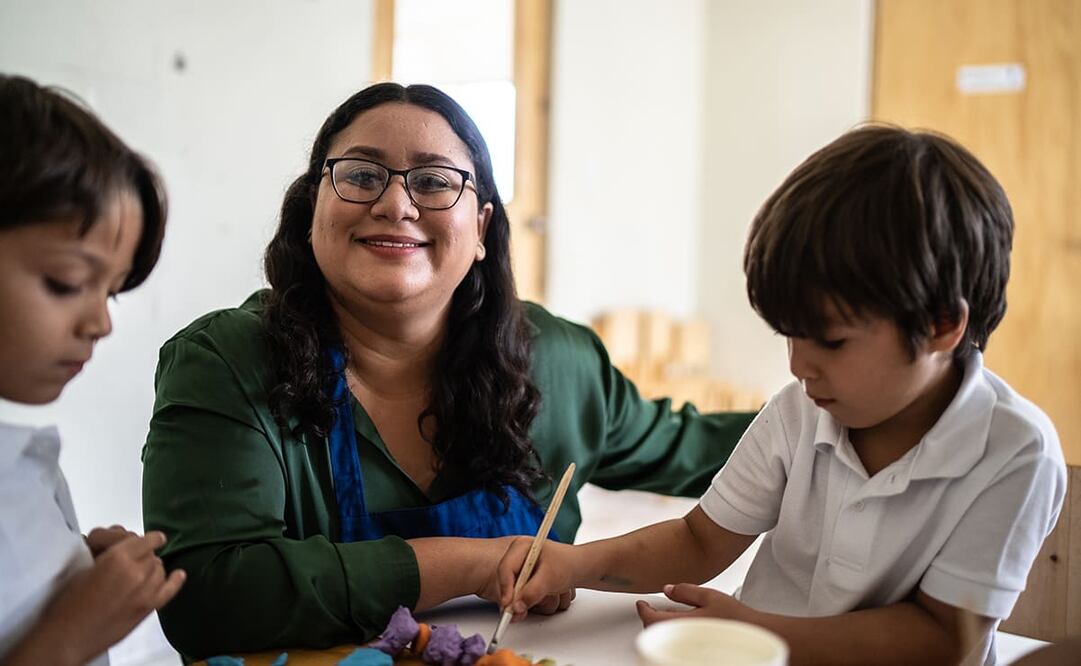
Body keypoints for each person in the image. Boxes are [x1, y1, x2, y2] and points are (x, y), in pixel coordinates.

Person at [140, 82, 757, 660]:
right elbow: (208, 596)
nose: (395, 204)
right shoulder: (226, 362)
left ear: (481, 227)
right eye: (361, 175)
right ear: (312, 209)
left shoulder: (557, 360)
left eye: (434, 181)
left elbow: (731, 453)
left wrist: (815, 406)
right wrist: (476, 564)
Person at [495, 125, 1067, 665]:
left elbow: (941, 639)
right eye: (788, 336)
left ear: (941, 326)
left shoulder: (1014, 450)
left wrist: (755, 632)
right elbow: (699, 539)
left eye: (832, 342)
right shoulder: (801, 410)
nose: (798, 366)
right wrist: (574, 563)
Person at [0, 74, 184, 666]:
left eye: (111, 292)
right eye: (67, 282)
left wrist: (71, 567)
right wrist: (75, 629)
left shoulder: (21, 464)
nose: (101, 323)